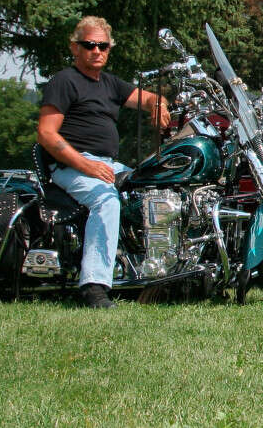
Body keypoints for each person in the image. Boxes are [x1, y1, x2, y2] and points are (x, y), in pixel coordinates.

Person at [37, 16, 172, 308]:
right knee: (106, 201)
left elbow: (148, 97)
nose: (97, 51)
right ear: (75, 47)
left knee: (155, 188)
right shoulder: (65, 81)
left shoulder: (110, 83)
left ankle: (159, 271)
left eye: (103, 46)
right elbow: (47, 134)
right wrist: (87, 167)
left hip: (107, 163)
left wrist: (158, 104)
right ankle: (94, 285)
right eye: (89, 45)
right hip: (71, 165)